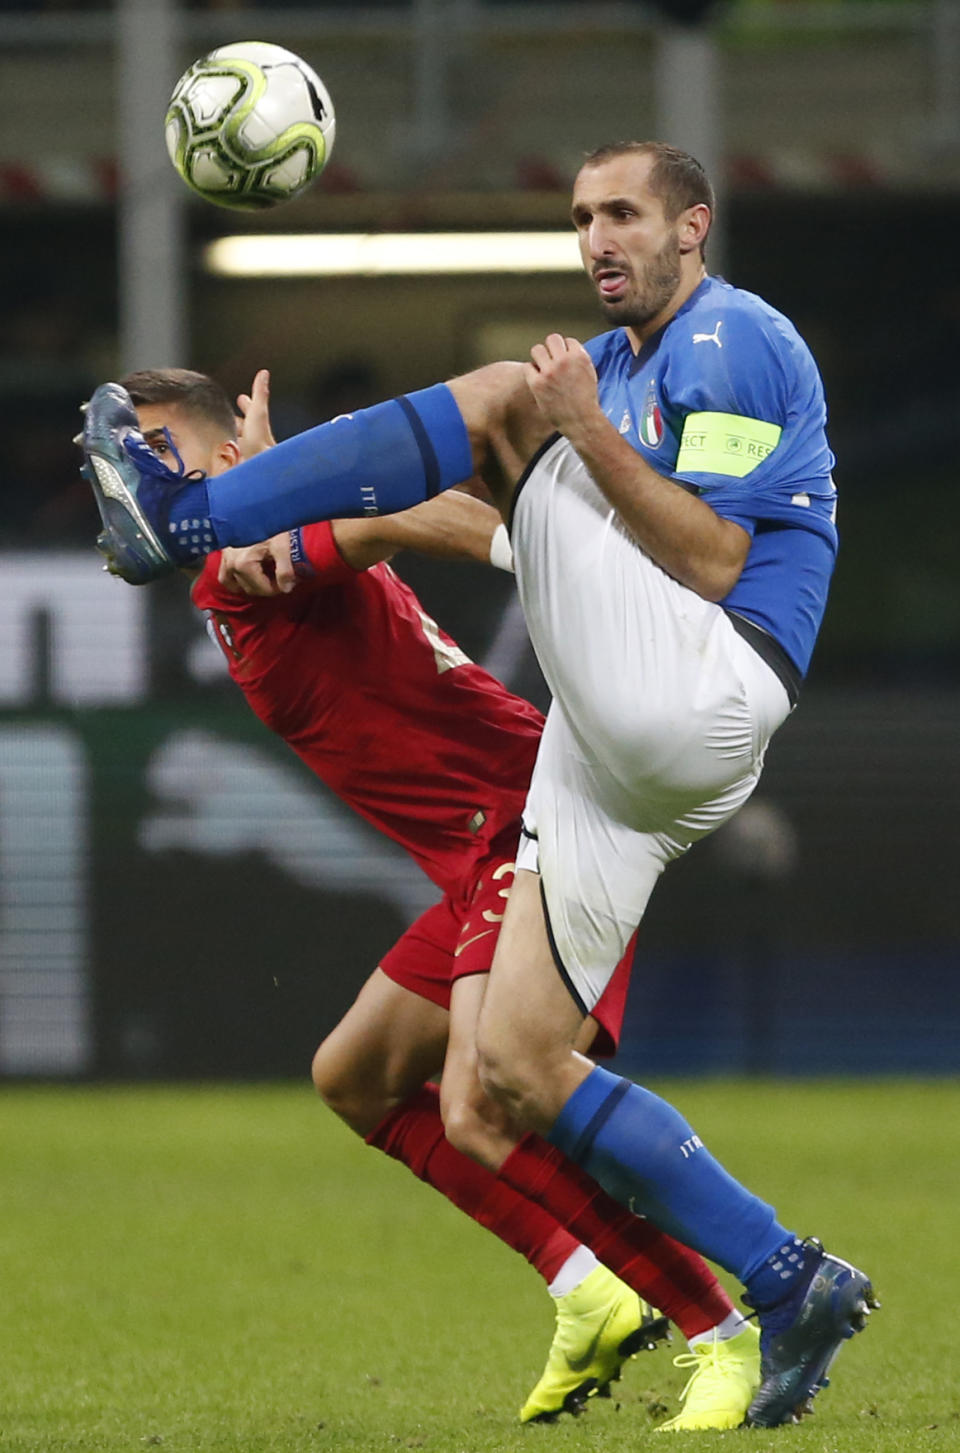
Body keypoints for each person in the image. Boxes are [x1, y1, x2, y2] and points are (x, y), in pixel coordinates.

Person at [81, 142, 877, 1427]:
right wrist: (484, 497)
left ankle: (182, 514)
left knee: (510, 392)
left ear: (694, 228)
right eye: (580, 217)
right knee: (502, 1074)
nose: (598, 236)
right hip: (605, 753)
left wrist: (272, 506)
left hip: (710, 673)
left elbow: (721, 560)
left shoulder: (733, 338)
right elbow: (490, 514)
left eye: (624, 212)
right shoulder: (614, 374)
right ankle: (785, 1282)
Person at [105, 364, 764, 1432]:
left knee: (482, 1105)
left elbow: (385, 518)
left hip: (532, 825)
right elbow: (352, 522)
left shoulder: (255, 566)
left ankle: (721, 1335)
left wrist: (522, 546)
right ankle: (585, 1287)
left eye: (151, 453)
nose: (128, 479)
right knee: (355, 1076)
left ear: (226, 464)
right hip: (479, 854)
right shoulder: (241, 562)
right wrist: (287, 488)